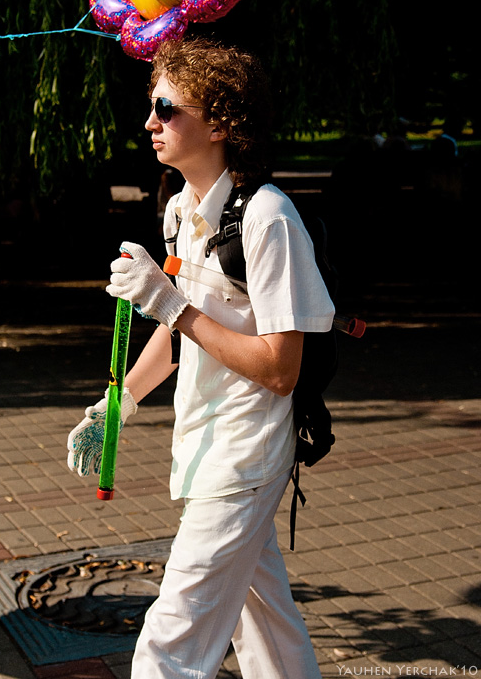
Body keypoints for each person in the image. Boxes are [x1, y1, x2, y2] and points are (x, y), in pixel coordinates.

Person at [67, 36, 335, 679]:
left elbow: (280, 370)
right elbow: (177, 331)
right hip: (204, 446)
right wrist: (118, 403)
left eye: (167, 108)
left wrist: (171, 304)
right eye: (152, 106)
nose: (150, 122)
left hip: (243, 458)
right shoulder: (180, 211)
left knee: (168, 649)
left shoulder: (269, 219)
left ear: (219, 123)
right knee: (267, 627)